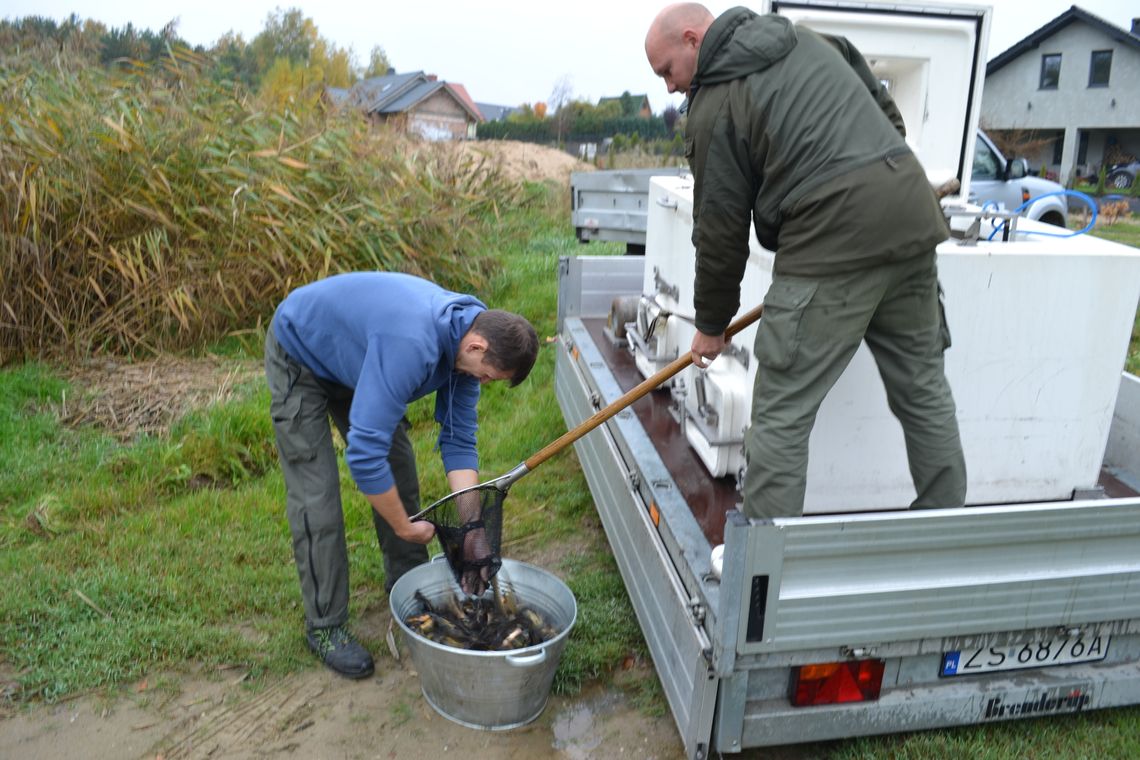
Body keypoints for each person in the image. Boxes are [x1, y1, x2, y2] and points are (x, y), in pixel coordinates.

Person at [645, 4, 967, 518]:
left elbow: (721, 229)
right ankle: (943, 524)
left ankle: (763, 560)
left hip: (829, 239)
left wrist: (710, 325)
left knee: (781, 414)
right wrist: (877, 178)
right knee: (922, 388)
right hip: (909, 218)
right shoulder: (808, 40)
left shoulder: (715, 104)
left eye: (666, 70)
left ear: (692, 39)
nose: (668, 86)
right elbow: (887, 115)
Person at [264, 272, 538, 678]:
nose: (482, 383)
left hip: (362, 358)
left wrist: (472, 525)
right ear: (477, 346)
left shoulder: (469, 343)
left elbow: (459, 441)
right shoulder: (412, 345)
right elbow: (364, 455)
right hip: (301, 352)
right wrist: (403, 526)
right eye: (486, 376)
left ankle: (407, 583)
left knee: (400, 466)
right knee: (317, 497)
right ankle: (325, 626)